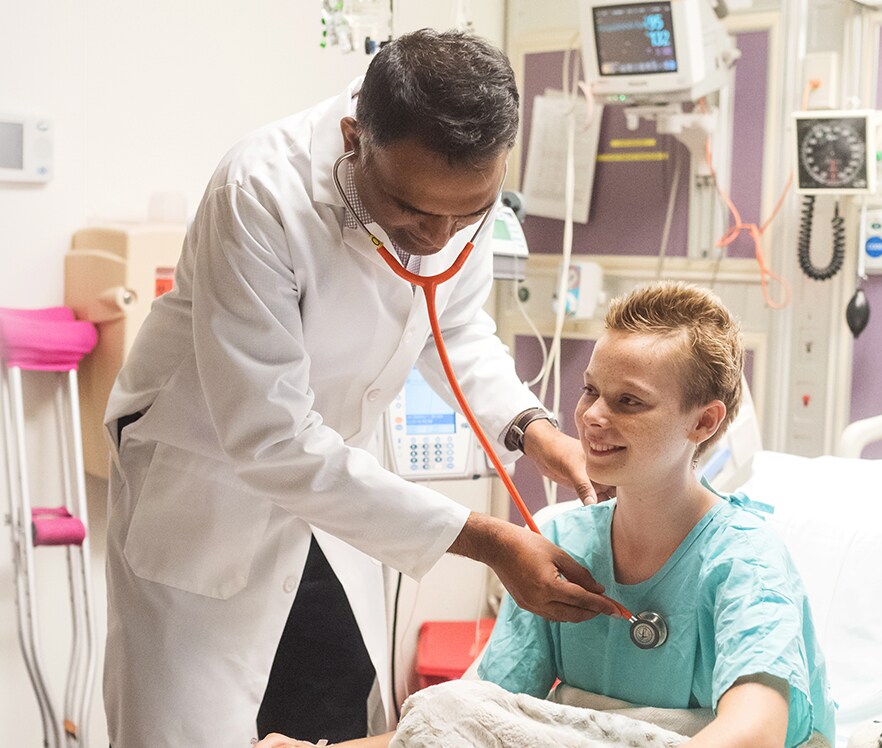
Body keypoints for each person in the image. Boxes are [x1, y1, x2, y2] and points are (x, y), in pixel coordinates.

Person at [101, 29, 617, 748]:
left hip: (340, 504)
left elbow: (454, 329)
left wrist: (537, 431)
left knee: (334, 714)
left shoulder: (458, 198)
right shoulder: (259, 192)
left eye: (468, 213)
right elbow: (271, 438)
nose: (439, 239)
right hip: (212, 484)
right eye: (411, 211)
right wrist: (489, 542)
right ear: (353, 139)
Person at [258, 282, 836, 748]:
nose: (592, 417)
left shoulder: (745, 558)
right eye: (590, 391)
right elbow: (470, 721)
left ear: (703, 423)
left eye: (628, 401)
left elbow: (755, 731)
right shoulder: (560, 539)